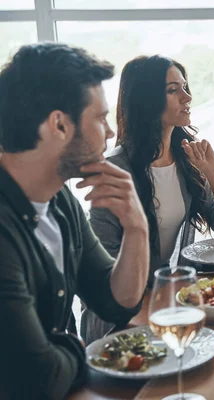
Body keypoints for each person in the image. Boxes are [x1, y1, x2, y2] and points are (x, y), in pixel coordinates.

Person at [0, 43, 150, 399]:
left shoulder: (59, 198)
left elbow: (116, 301)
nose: (110, 132)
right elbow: (39, 378)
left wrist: (136, 226)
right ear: (59, 125)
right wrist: (77, 347)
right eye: (100, 118)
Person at [81, 55, 214, 343]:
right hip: (120, 321)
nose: (187, 96)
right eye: (173, 90)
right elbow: (104, 273)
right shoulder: (115, 171)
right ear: (147, 100)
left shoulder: (185, 158)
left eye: (185, 86)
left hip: (167, 302)